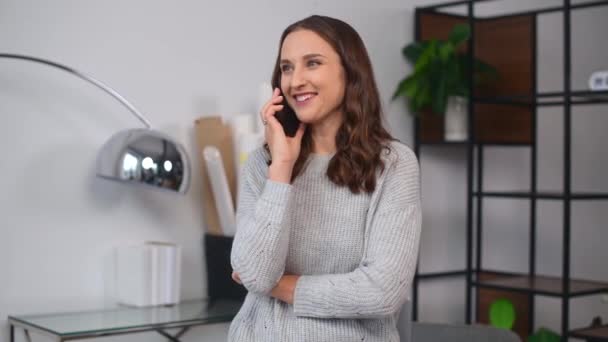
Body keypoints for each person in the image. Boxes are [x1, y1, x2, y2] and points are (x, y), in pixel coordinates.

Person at [228, 14, 421, 342]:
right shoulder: (264, 164)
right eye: (287, 67)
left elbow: (383, 290)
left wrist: (279, 286)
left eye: (312, 63)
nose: (295, 80)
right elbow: (254, 270)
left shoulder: (393, 165)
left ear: (350, 71)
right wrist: (282, 171)